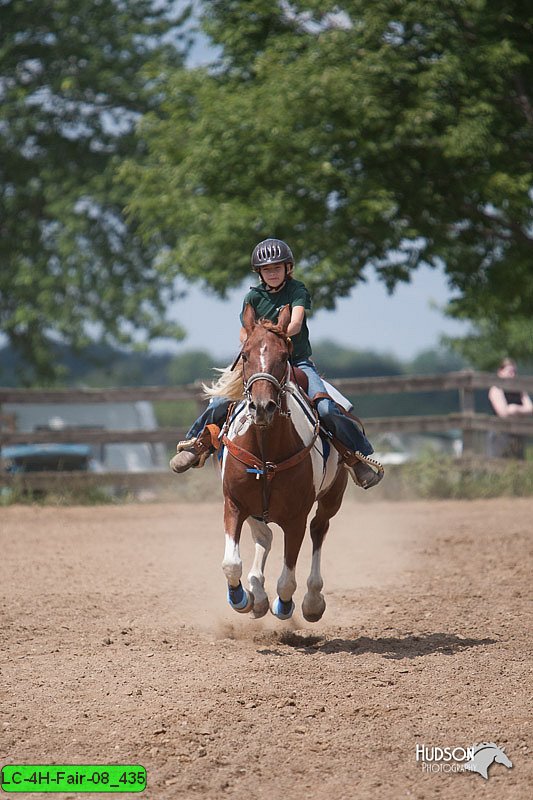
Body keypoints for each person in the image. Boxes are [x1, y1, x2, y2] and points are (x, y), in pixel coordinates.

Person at [170, 238, 383, 489]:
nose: (272, 273)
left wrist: (274, 337)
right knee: (220, 401)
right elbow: (243, 331)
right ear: (259, 273)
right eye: (267, 269)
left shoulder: (297, 291)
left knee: (326, 409)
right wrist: (254, 340)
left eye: (277, 268)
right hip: (261, 365)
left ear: (287, 269)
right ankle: (196, 444)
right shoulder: (253, 296)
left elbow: (294, 324)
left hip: (298, 362)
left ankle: (356, 457)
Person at [488, 357, 532, 458]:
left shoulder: (519, 390)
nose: (513, 375)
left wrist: (514, 409)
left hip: (518, 434)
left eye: (514, 372)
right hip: (500, 435)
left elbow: (530, 408)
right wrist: (520, 411)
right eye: (510, 372)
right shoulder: (496, 389)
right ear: (500, 372)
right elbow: (503, 413)